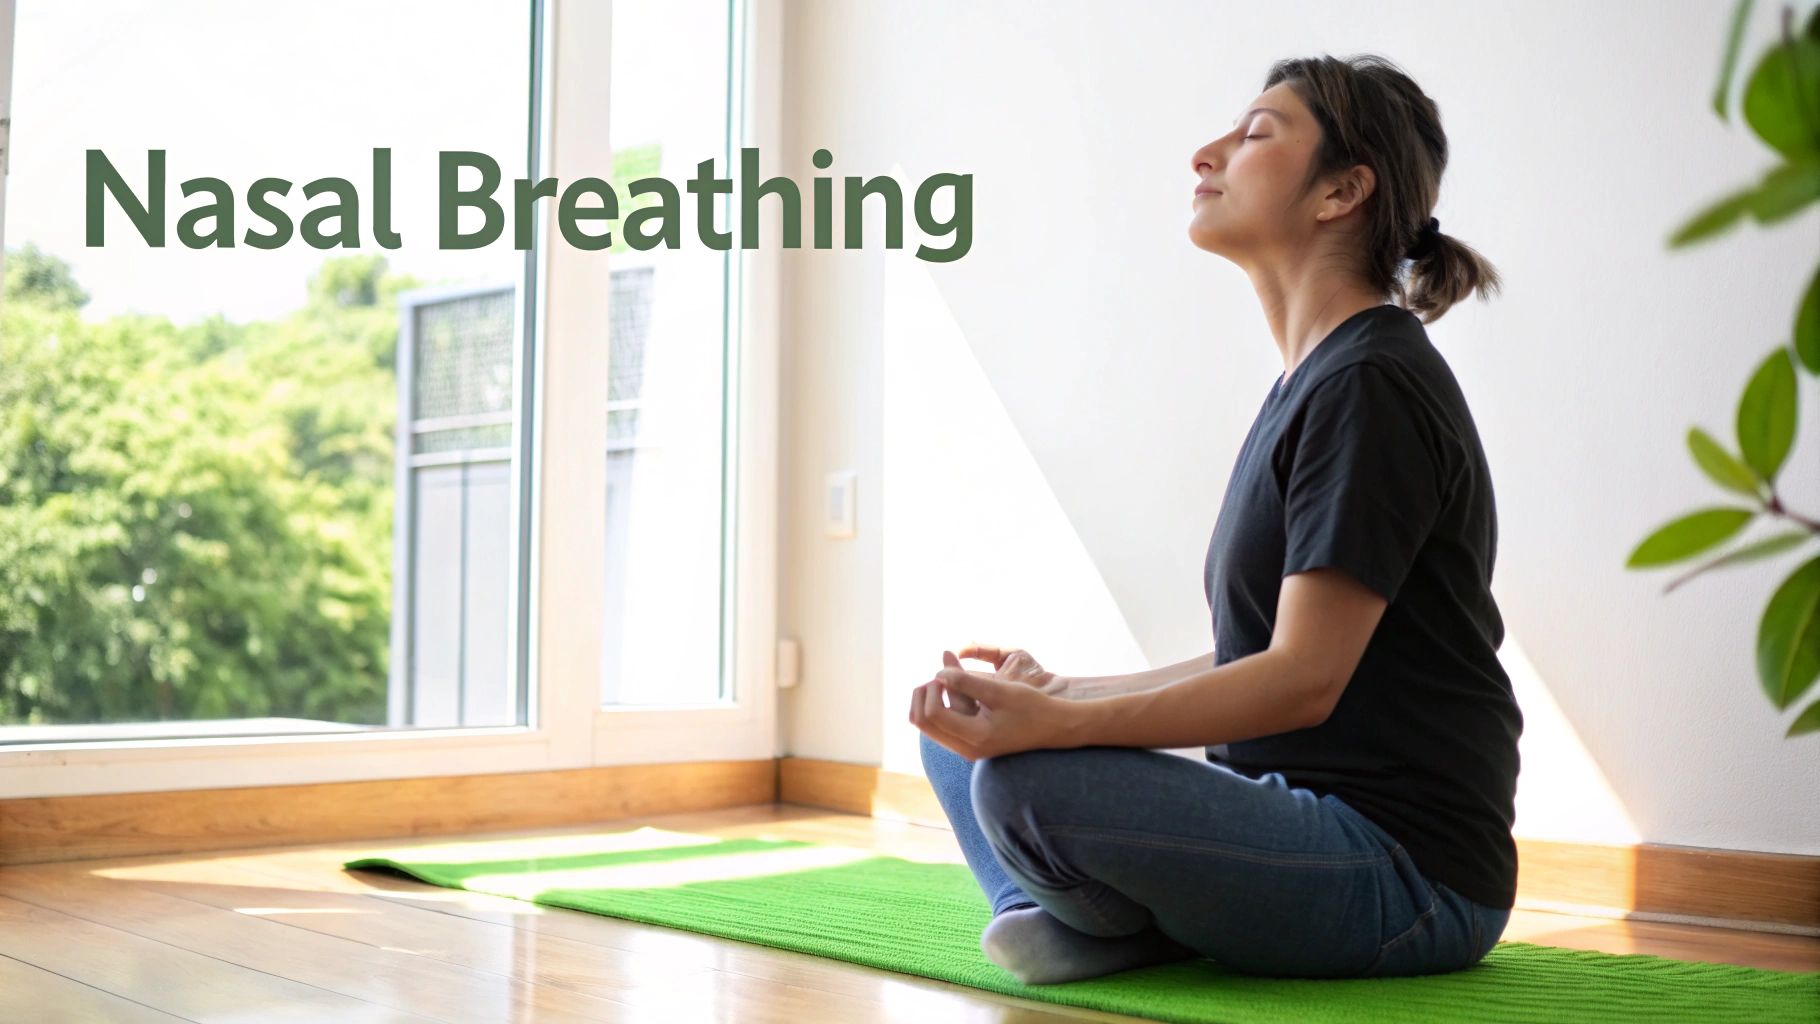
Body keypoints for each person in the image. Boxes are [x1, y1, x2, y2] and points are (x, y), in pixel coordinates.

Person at [910, 53, 1522, 986]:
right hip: (1286, 811)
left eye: (1256, 133)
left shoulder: (1370, 385)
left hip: (1408, 875)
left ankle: (1101, 924)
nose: (1208, 152)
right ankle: (1103, 924)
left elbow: (1300, 681)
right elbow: (1256, 654)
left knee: (1024, 778)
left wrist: (1059, 728)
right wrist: (1068, 695)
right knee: (960, 733)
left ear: (1342, 192)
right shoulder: (1317, 378)